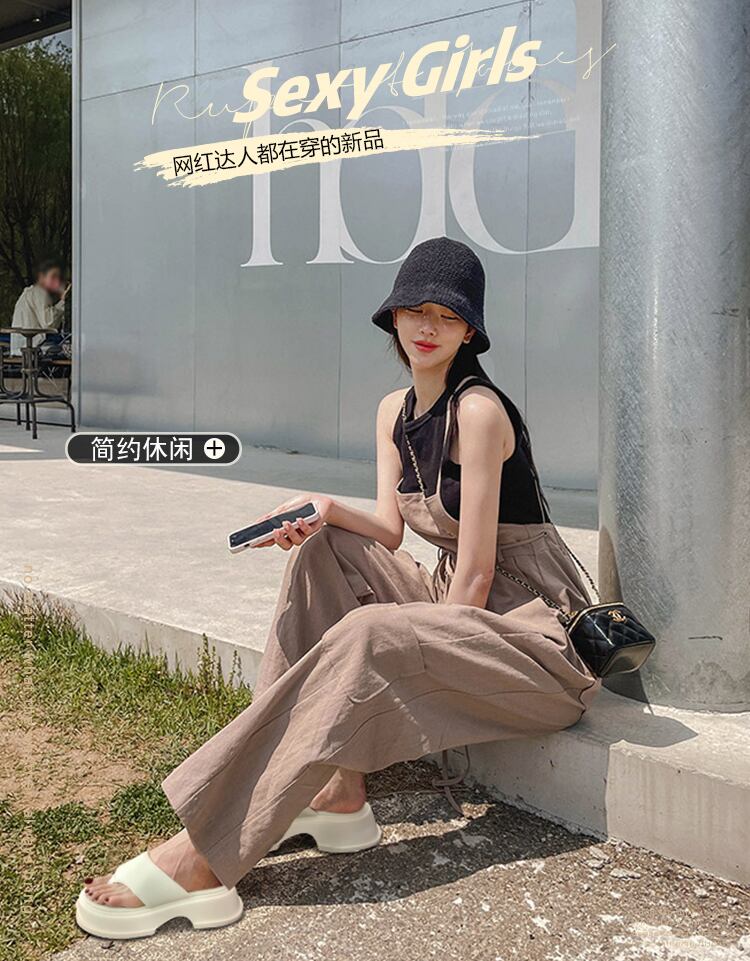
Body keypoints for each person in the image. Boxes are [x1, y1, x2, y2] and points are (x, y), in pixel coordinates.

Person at [75, 236, 603, 940]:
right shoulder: (393, 412)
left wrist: (411, 642)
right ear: (392, 318)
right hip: (459, 601)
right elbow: (388, 530)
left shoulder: (478, 412)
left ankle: (204, 851)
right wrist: (324, 509)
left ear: (469, 331)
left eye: (445, 316)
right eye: (413, 311)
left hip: (534, 641)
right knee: (321, 551)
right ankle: (336, 790)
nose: (426, 327)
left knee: (369, 633)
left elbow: (476, 575)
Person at [9, 260, 70, 356]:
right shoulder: (40, 292)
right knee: (68, 349)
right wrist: (62, 301)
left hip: (19, 348)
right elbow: (49, 322)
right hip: (31, 347)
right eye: (53, 277)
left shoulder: (31, 291)